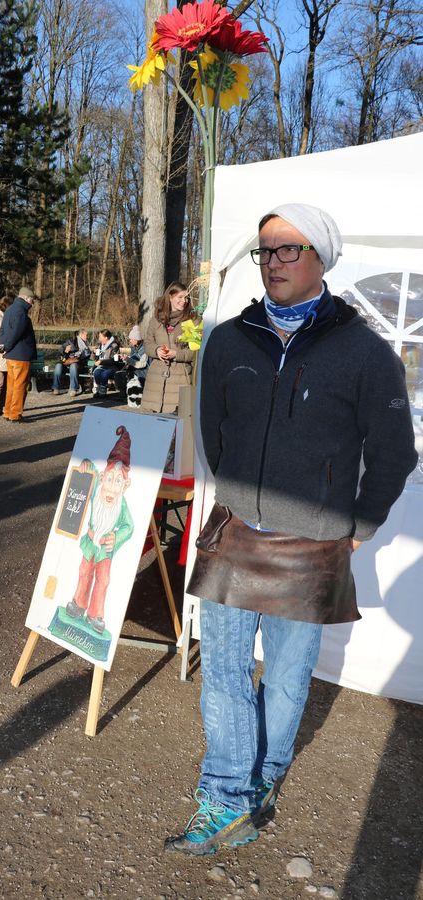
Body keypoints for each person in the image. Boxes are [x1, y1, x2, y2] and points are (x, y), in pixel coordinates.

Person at [166, 203, 418, 856]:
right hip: (236, 533)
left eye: (288, 250)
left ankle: (267, 775)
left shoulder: (364, 352)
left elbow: (394, 451)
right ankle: (225, 798)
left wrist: (358, 523)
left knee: (284, 677)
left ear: (320, 259)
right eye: (266, 251)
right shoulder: (228, 338)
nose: (273, 262)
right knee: (222, 673)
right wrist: (241, 491)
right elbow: (212, 430)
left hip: (313, 545)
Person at [66, 426, 134, 635]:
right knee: (84, 572)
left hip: (105, 548)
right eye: (110, 479)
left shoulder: (121, 505)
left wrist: (116, 536)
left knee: (103, 580)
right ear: (104, 477)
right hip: (90, 542)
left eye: (119, 482)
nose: (112, 488)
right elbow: (91, 471)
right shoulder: (97, 488)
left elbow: (128, 527)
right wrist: (86, 463)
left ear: (126, 485)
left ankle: (96, 615)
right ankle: (78, 604)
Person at [141, 282, 195, 414]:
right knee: (152, 424)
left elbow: (195, 352)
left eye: (186, 297)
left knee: (178, 427)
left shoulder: (191, 321)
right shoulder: (156, 320)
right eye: (180, 297)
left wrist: (176, 354)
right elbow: (147, 343)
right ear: (170, 297)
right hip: (155, 381)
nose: (184, 301)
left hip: (180, 379)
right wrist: (156, 350)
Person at [0, 286, 38, 423]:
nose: (32, 303)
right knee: (20, 385)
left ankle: (7, 411)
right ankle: (15, 414)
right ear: (26, 298)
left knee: (11, 385)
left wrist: (2, 347)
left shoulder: (9, 310)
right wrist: (8, 346)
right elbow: (16, 333)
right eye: (32, 300)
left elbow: (2, 330)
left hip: (10, 355)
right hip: (21, 355)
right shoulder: (21, 312)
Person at [113, 325, 149, 401]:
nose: (130, 341)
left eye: (131, 339)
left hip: (144, 371)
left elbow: (142, 364)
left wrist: (128, 360)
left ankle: (134, 395)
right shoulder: (134, 348)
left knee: (129, 374)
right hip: (135, 369)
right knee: (119, 374)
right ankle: (123, 394)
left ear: (137, 339)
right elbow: (132, 359)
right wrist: (125, 359)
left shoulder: (145, 349)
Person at [52, 328, 91, 396]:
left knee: (73, 365)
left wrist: (82, 357)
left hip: (78, 366)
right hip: (66, 363)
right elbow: (59, 353)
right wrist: (65, 351)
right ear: (81, 335)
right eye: (86, 335)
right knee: (58, 366)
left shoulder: (85, 345)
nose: (87, 337)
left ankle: (73, 389)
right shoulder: (70, 341)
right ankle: (56, 388)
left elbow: (88, 357)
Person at [92, 329, 122, 398]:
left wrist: (102, 362)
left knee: (104, 374)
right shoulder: (100, 345)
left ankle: (103, 390)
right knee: (96, 372)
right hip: (101, 366)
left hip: (112, 366)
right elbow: (95, 359)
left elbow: (114, 360)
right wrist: (94, 353)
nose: (99, 339)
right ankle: (98, 390)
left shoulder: (114, 346)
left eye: (100, 337)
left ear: (106, 337)